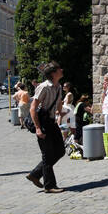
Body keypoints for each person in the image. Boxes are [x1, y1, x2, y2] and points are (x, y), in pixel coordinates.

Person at [27, 61, 67, 193]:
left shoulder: (58, 86)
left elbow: (59, 102)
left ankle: (35, 174)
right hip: (42, 123)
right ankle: (49, 186)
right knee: (47, 154)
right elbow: (33, 108)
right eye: (58, 69)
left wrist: (61, 112)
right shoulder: (43, 87)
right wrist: (38, 128)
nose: (61, 70)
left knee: (60, 150)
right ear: (53, 73)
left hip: (51, 122)